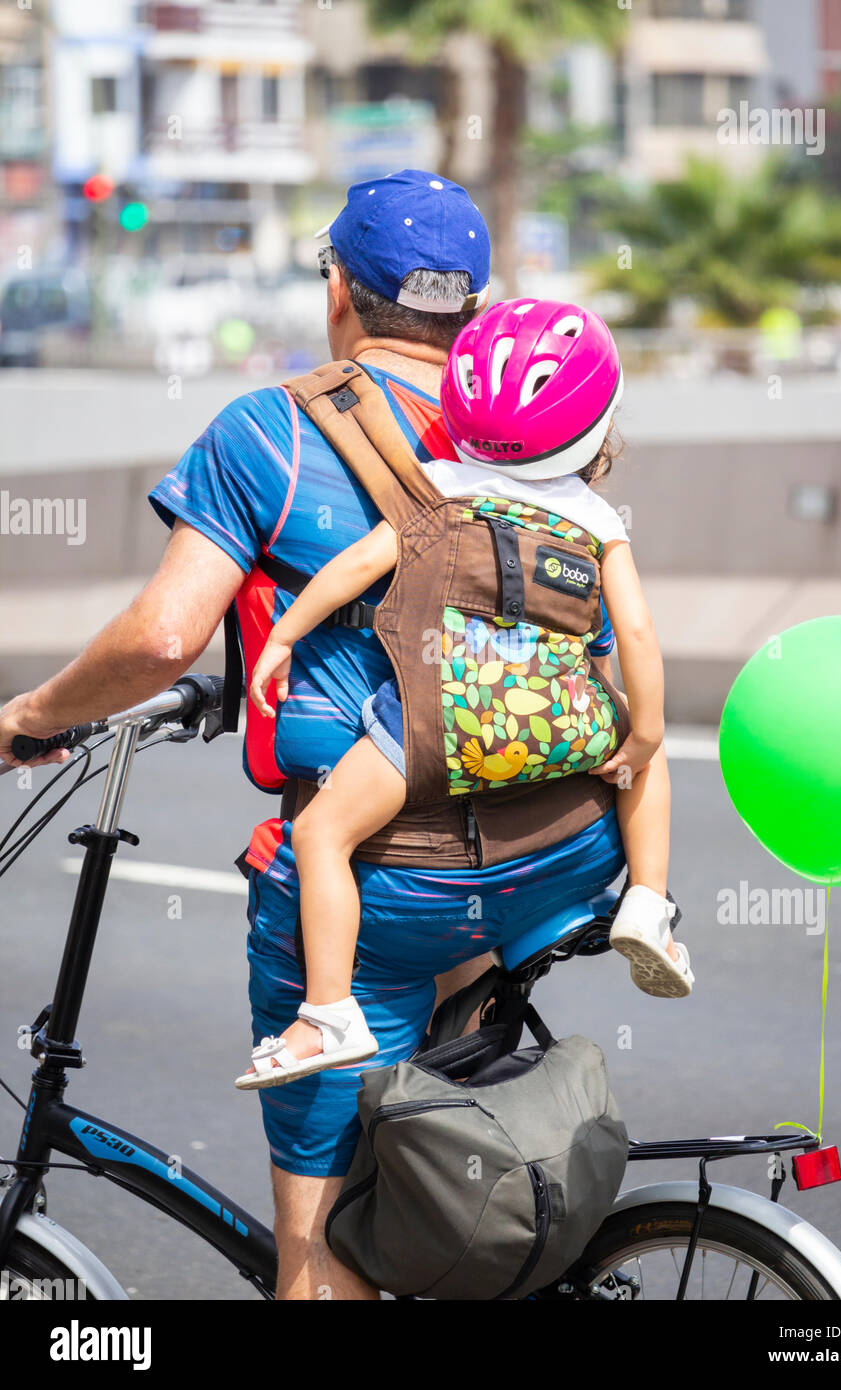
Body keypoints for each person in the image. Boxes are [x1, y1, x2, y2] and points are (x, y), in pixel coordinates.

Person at [0, 170, 674, 1299]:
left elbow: (166, 636)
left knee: (315, 1257)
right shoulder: (538, 436)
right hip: (556, 852)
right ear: (472, 309)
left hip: (389, 878)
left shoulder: (272, 430)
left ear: (339, 292)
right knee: (437, 1158)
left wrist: (28, 717)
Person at [238, 298, 691, 1090]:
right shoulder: (594, 519)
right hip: (561, 722)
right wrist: (642, 737)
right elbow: (640, 635)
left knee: (321, 838)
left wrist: (281, 636)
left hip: (438, 724)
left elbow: (350, 569)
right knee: (645, 768)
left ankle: (329, 1013)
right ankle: (648, 903)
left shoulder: (439, 488)